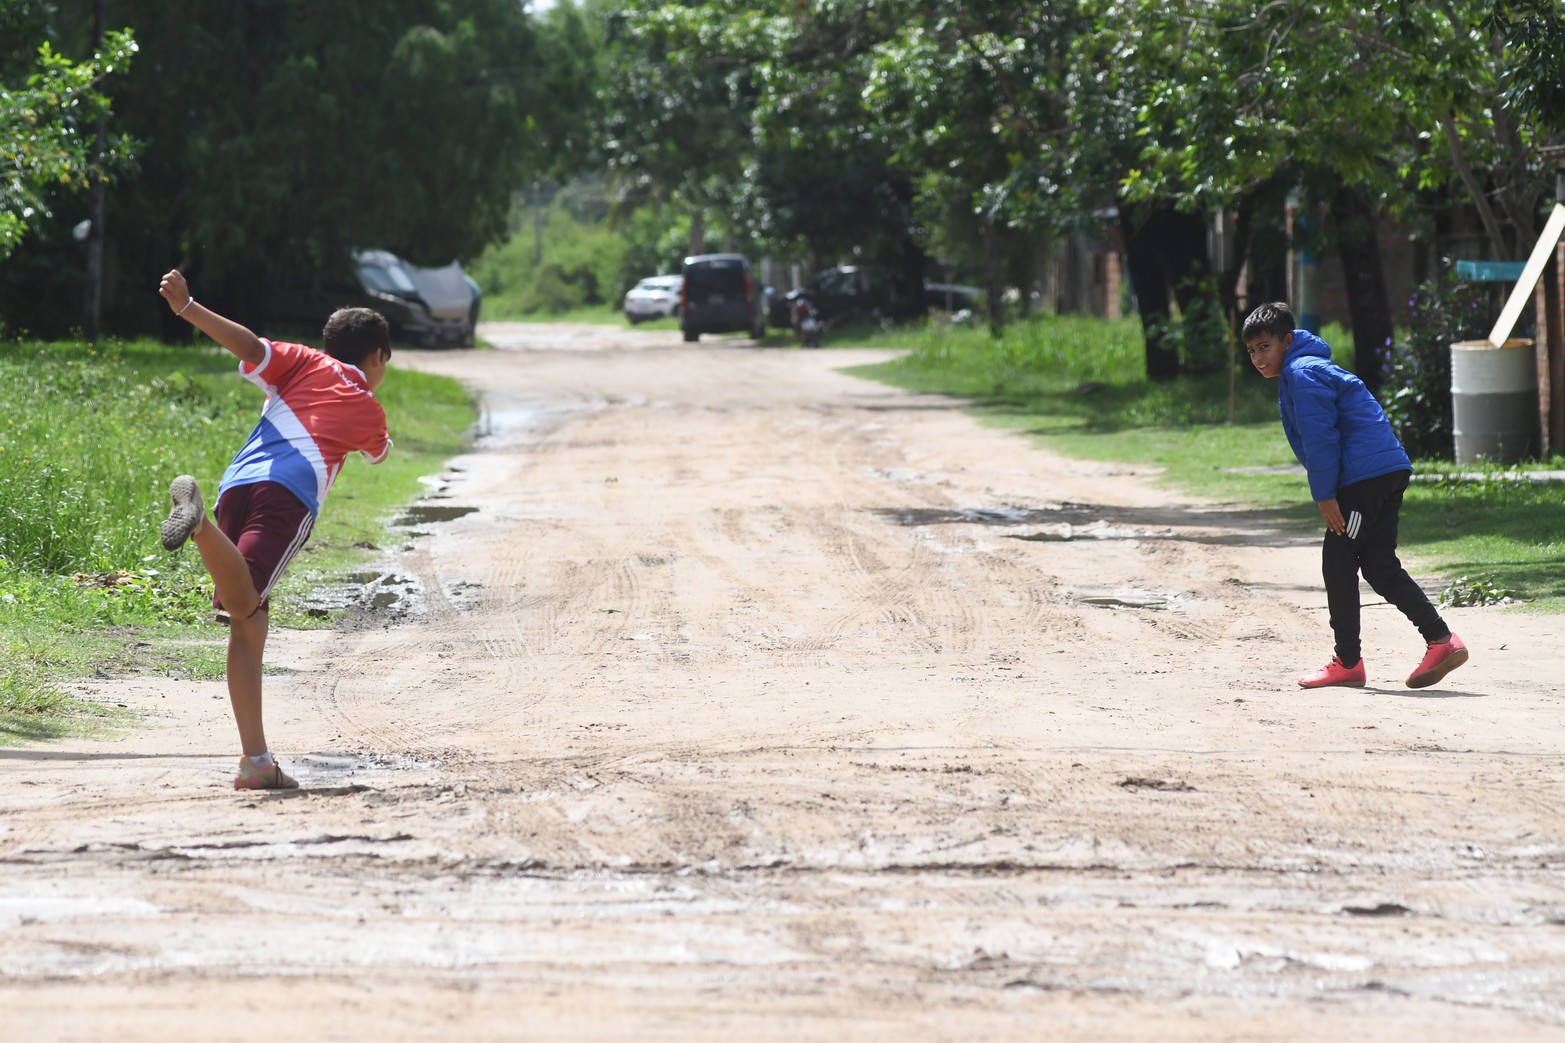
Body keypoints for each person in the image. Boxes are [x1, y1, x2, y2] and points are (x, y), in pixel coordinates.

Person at [157, 269, 393, 789]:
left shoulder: (304, 361)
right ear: (377, 358)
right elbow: (378, 451)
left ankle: (256, 762)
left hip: (238, 482)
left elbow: (249, 344)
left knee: (250, 620)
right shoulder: (368, 406)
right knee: (245, 604)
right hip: (287, 494)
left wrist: (189, 306)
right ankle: (197, 523)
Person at [1241, 301, 1468, 690]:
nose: (1258, 358)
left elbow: (1321, 438)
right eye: (1251, 351)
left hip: (1364, 478)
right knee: (1378, 566)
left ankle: (1348, 662)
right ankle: (1441, 641)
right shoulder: (1307, 369)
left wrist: (1325, 496)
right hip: (1382, 471)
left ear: (1287, 341)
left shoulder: (1301, 373)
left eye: (1265, 346)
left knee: (1338, 560)